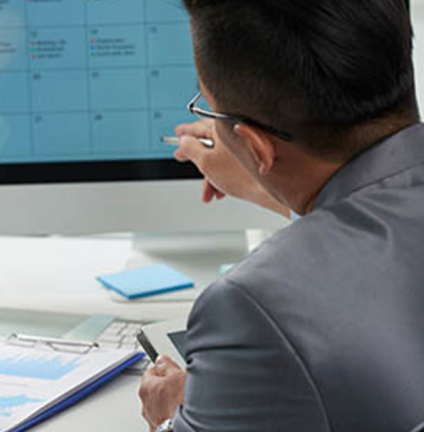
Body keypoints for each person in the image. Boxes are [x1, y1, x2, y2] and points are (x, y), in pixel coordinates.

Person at [139, 1, 424, 431]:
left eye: (209, 111)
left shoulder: (253, 307)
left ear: (256, 146)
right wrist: (275, 189)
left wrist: (178, 413)